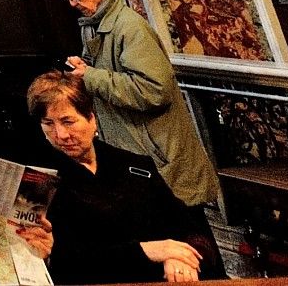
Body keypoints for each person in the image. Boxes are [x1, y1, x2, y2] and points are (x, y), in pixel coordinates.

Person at [29, 72, 222, 284]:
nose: (61, 135)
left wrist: (183, 259)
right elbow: (69, 262)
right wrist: (147, 251)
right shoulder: (42, 180)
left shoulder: (134, 165)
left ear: (92, 119)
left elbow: (190, 227)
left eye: (68, 121)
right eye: (48, 123)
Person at [55, 0, 218, 209]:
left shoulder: (130, 28)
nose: (73, 4)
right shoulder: (93, 27)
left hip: (160, 159)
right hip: (135, 158)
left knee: (189, 238)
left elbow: (154, 90)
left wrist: (90, 76)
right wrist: (82, 71)